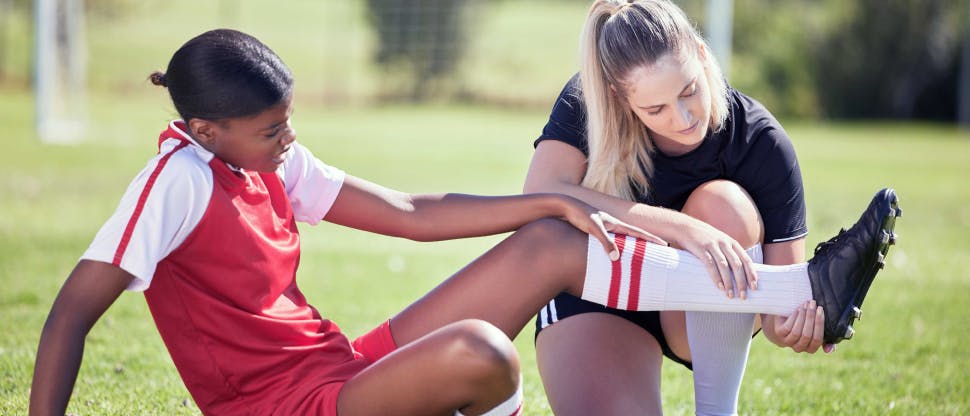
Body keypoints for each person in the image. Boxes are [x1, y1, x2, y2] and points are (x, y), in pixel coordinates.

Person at [29, 29, 898, 416]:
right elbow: (72, 309)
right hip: (276, 407)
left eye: (289, 121)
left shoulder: (265, 159)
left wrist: (559, 200)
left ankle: (801, 286)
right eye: (271, 131)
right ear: (207, 130)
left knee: (553, 242)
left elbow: (410, 214)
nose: (289, 141)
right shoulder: (175, 180)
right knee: (485, 351)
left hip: (334, 367)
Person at [523, 1, 899, 415]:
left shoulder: (760, 141)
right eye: (655, 110)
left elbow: (775, 325)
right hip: (598, 292)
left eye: (689, 91)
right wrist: (682, 230)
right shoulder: (588, 100)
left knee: (725, 207)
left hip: (694, 311)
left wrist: (801, 321)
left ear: (702, 56)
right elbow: (538, 195)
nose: (683, 117)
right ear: (619, 96)